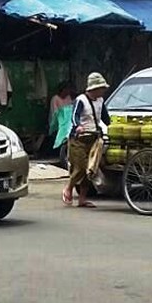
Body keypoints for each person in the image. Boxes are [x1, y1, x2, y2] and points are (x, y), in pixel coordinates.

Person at [62, 72, 109, 208]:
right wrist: (78, 126)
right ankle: (68, 188)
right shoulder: (81, 100)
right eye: (102, 88)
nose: (103, 91)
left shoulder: (100, 101)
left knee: (90, 169)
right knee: (81, 167)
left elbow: (106, 119)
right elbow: (74, 117)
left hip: (93, 139)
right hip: (78, 140)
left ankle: (82, 199)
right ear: (94, 88)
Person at [46, 81, 75, 162]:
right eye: (66, 89)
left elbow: (69, 109)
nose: (68, 92)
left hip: (66, 120)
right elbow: (55, 112)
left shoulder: (68, 97)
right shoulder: (55, 98)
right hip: (57, 120)